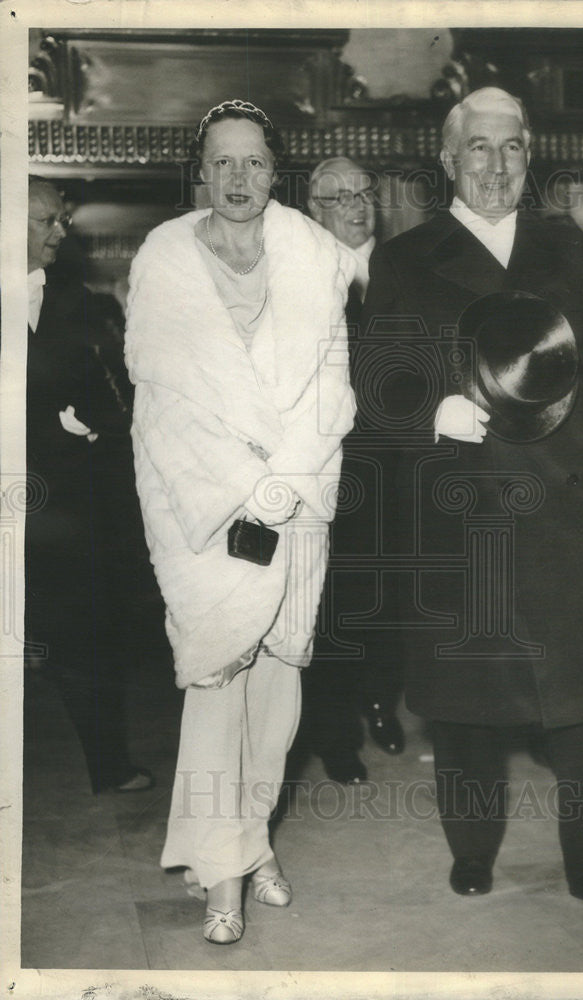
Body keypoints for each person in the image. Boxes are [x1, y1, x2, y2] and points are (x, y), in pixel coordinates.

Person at [360, 87, 583, 910]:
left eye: (510, 149)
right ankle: (471, 853)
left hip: (563, 508)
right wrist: (430, 409)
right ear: (447, 160)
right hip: (459, 513)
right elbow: (373, 380)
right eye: (478, 149)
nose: (495, 166)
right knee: (463, 710)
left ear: (528, 156)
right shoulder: (403, 258)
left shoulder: (564, 245)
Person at [124, 100, 355, 945]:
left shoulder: (310, 252)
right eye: (222, 163)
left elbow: (330, 387)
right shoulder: (163, 260)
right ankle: (226, 875)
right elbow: (162, 407)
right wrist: (240, 489)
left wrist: (285, 484)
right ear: (200, 169)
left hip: (293, 500)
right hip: (203, 507)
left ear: (275, 169)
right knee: (219, 686)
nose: (239, 180)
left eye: (255, 163)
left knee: (276, 690)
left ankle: (251, 843)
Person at [25, 176, 154, 795]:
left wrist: (80, 426)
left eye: (62, 221)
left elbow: (111, 404)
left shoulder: (75, 301)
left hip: (61, 508)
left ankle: (109, 763)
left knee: (86, 636)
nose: (59, 232)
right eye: (45, 220)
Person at [301, 157, 405, 784]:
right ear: (314, 210)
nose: (356, 205)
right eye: (337, 198)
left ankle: (380, 702)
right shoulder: (298, 277)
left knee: (393, 596)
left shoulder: (410, 269)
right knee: (332, 604)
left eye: (365, 193)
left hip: (398, 467)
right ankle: (335, 734)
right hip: (327, 468)